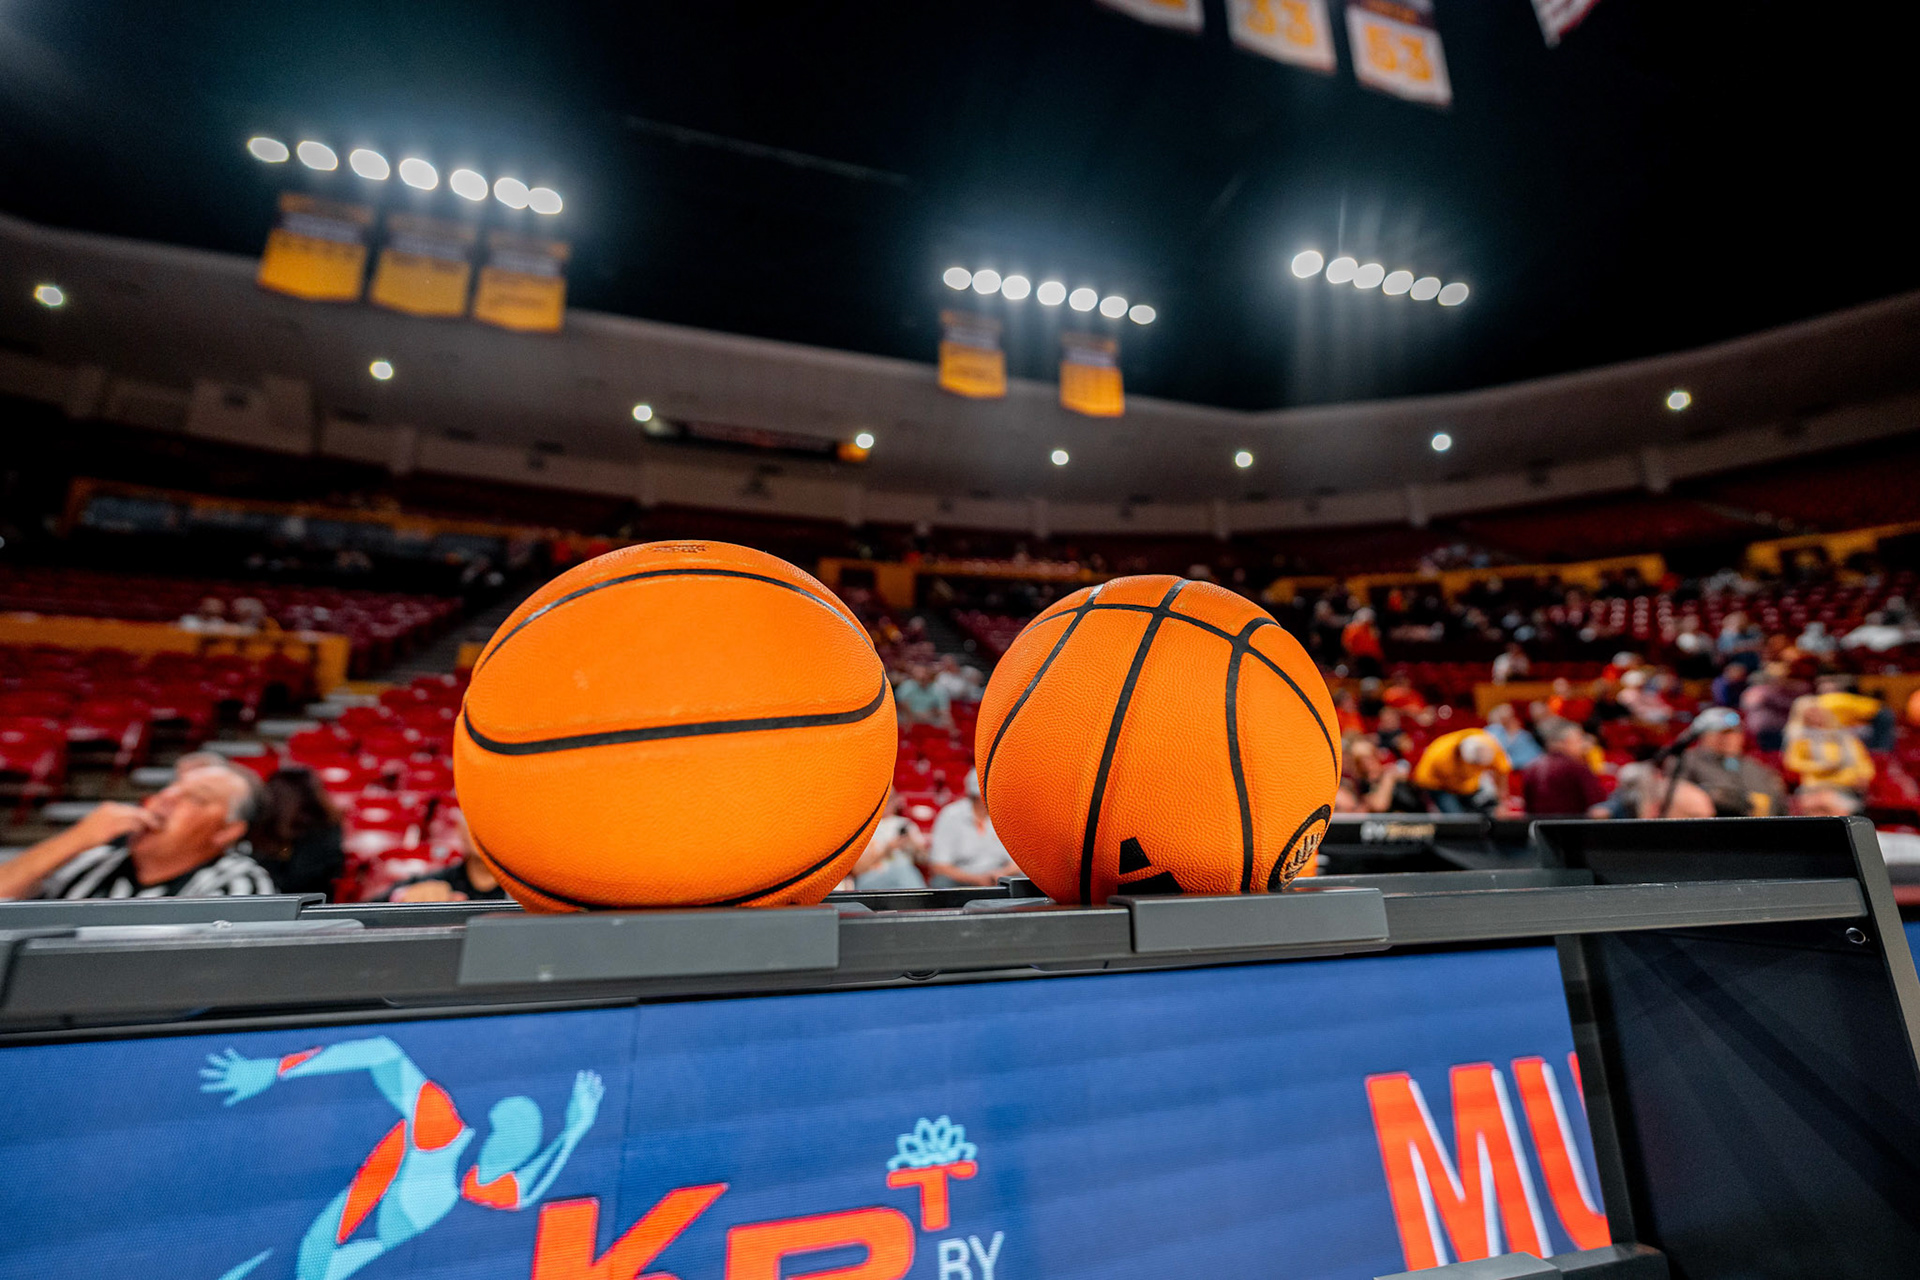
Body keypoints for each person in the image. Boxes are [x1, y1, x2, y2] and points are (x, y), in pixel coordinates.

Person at [199, 1038, 602, 1280]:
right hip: (296, 1227)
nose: (516, 1152)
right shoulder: (440, 1128)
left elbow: (526, 1191)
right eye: (512, 1135)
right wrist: (275, 1068)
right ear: (489, 1129)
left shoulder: (481, 1183)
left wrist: (573, 1133)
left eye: (524, 1145)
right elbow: (382, 1052)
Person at [0, 764, 272, 900]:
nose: (166, 797)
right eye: (170, 787)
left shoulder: (240, 885)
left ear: (227, 831)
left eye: (197, 798)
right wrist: (75, 839)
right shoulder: (95, 862)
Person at [250, 767, 346, 897]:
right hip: (268, 901)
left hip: (311, 907)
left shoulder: (323, 829)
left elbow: (298, 882)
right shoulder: (260, 827)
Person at [1674, 707, 1788, 817]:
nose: (1730, 738)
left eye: (1735, 732)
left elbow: (1778, 803)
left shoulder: (1754, 766)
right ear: (1703, 736)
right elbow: (1680, 798)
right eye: (1722, 733)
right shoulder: (1686, 761)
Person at [390, 815, 509, 903]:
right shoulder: (441, 881)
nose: (485, 832)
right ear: (460, 829)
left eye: (495, 823)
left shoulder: (524, 888)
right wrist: (404, 896)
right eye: (477, 821)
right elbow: (377, 905)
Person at [927, 770, 1016, 886]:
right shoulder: (951, 815)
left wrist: (1003, 873)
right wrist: (976, 879)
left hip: (999, 876)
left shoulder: (1007, 815)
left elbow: (1021, 862)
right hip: (962, 879)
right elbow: (939, 865)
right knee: (941, 882)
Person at [1519, 719, 1609, 817]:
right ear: (1565, 742)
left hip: (1540, 826)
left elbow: (1527, 808)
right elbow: (1597, 801)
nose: (1583, 745)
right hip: (1573, 827)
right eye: (1579, 740)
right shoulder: (1576, 767)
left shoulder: (1531, 767)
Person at [1783, 699, 1874, 794]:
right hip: (1818, 785)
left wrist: (1864, 776)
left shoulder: (1846, 736)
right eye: (1811, 713)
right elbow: (1793, 762)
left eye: (1818, 712)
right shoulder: (1800, 738)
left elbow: (1863, 760)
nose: (1816, 716)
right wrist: (1820, 766)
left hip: (1849, 785)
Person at [1412, 729, 1510, 815]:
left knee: (1487, 808)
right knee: (1457, 817)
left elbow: (1502, 772)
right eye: (1473, 764)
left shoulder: (1491, 747)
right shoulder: (1441, 756)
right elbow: (1454, 787)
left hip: (1467, 784)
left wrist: (1500, 801)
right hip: (1437, 784)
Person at [846, 794, 929, 891]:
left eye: (890, 798)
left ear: (897, 800)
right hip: (872, 878)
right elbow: (857, 870)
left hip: (904, 881)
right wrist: (887, 849)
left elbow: (924, 860)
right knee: (903, 871)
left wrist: (914, 845)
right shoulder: (864, 828)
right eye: (883, 798)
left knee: (906, 872)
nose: (887, 803)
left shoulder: (905, 824)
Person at [1337, 737, 1423, 813]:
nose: (1367, 765)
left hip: (1417, 819)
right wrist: (1388, 778)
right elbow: (1380, 805)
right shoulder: (1362, 784)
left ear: (1377, 758)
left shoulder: (1394, 771)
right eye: (1360, 762)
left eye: (1370, 759)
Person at [893, 662, 952, 728]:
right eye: (919, 674)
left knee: (945, 721)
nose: (922, 676)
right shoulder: (906, 685)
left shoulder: (939, 689)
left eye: (925, 674)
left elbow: (943, 710)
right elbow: (900, 704)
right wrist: (913, 715)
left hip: (930, 717)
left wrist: (933, 714)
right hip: (908, 716)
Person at [1483, 703, 1543, 770]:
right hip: (1503, 769)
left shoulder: (1523, 735)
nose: (1508, 720)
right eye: (1503, 718)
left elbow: (1536, 755)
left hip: (1527, 768)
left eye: (1510, 717)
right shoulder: (1492, 732)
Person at [1341, 607, 1384, 679]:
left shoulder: (1372, 629)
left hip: (1372, 660)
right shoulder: (1353, 629)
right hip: (1359, 659)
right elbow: (1348, 645)